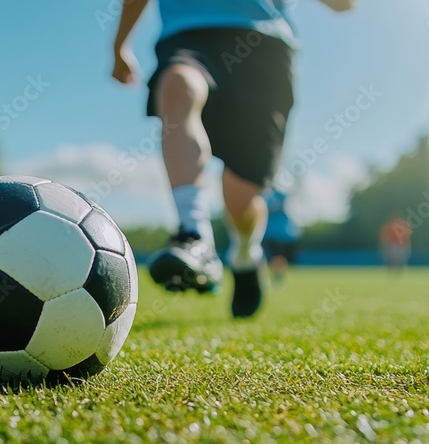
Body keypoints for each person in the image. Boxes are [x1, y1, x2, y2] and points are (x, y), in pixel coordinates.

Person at [111, 0, 355, 317]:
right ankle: (193, 234)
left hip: (263, 43)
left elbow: (344, 5)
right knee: (177, 85)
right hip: (188, 34)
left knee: (241, 199)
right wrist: (120, 46)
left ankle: (245, 255)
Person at [262, 188, 301, 286]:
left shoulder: (284, 195)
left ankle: (278, 277)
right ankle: (272, 277)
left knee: (280, 257)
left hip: (284, 233)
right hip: (270, 233)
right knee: (272, 257)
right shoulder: (267, 194)